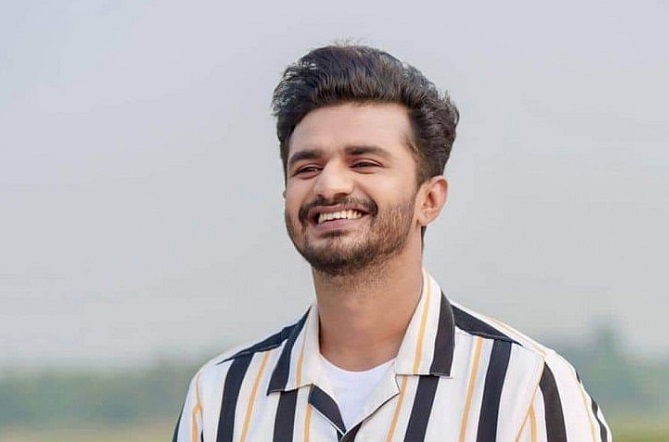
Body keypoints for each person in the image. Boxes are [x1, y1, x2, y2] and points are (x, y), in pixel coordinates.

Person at [173, 44, 611, 442]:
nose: (329, 185)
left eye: (363, 162)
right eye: (307, 168)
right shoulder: (220, 398)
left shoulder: (524, 389)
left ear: (429, 199)